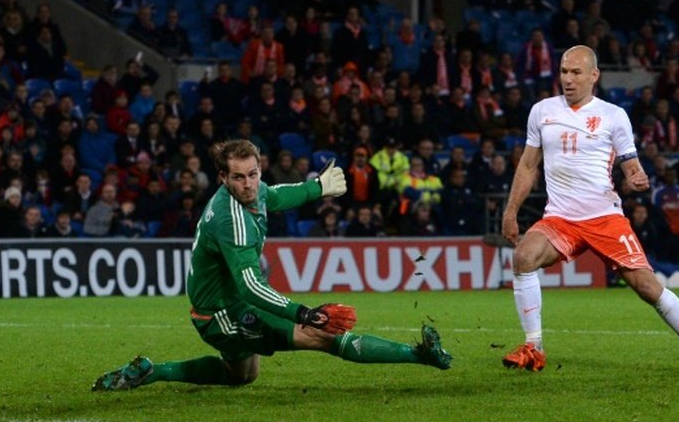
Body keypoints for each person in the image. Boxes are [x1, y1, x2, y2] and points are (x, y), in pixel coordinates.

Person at [92, 140, 452, 391]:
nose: (248, 185)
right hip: (222, 312)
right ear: (222, 178)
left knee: (243, 376)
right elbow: (250, 285)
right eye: (238, 177)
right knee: (322, 335)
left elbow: (276, 195)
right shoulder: (230, 221)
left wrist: (318, 187)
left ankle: (151, 372)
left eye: (253, 174)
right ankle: (419, 354)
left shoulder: (256, 190)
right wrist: (303, 313)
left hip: (225, 307)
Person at [500, 46, 679, 374]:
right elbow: (528, 164)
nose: (568, 79)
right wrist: (511, 211)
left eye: (576, 73)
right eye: (564, 72)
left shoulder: (613, 115)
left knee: (647, 287)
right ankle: (534, 347)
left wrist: (636, 175)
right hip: (560, 219)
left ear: (594, 76)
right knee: (523, 258)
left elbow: (630, 163)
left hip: (604, 218)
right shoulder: (541, 111)